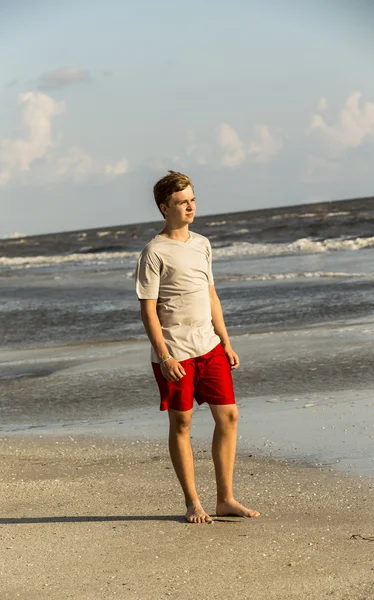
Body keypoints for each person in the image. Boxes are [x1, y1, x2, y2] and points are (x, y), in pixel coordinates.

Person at [135, 171, 260, 524]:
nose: (190, 206)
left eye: (192, 199)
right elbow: (148, 310)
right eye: (182, 202)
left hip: (209, 347)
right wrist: (164, 356)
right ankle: (193, 502)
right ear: (164, 207)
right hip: (175, 351)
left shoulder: (203, 244)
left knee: (229, 416)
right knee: (182, 423)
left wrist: (226, 340)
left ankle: (226, 499)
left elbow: (210, 295)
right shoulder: (153, 252)